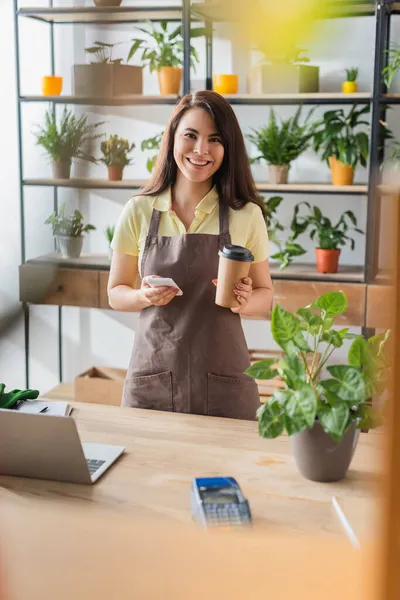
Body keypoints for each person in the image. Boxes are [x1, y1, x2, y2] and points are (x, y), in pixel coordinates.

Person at [108, 90, 273, 420]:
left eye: (214, 139)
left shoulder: (246, 215)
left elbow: (265, 296)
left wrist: (243, 301)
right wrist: (143, 295)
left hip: (225, 382)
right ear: (172, 139)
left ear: (228, 148)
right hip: (154, 377)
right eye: (191, 135)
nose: (201, 150)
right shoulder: (139, 210)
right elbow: (116, 293)